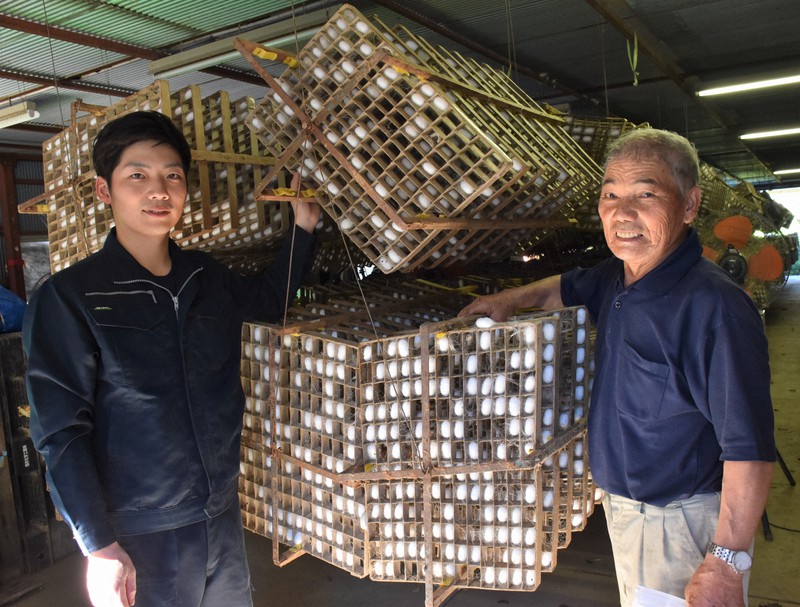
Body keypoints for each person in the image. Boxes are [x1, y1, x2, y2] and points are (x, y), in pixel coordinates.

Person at [459, 128, 775, 607]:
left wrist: (726, 561)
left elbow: (750, 449)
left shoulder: (715, 307)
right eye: (611, 195)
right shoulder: (619, 277)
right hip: (630, 514)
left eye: (646, 194)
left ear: (689, 205)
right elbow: (563, 287)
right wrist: (508, 300)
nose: (622, 213)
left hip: (681, 525)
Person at [23, 110, 321, 607]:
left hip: (220, 517)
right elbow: (60, 431)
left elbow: (268, 301)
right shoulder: (72, 297)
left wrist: (305, 228)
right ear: (105, 191)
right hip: (141, 532)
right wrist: (98, 546)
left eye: (172, 176)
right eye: (137, 175)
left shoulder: (205, 278)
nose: (158, 190)